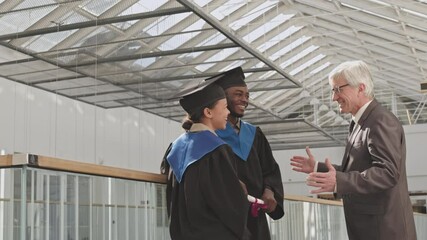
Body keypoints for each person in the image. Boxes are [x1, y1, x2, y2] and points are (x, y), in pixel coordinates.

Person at [290, 60, 417, 240]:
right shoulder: (360, 122)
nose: (334, 97)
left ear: (361, 88)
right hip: (371, 228)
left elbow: (387, 173)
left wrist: (338, 182)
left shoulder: (380, 120)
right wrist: (319, 167)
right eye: (333, 90)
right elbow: (357, 170)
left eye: (338, 89)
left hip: (383, 230)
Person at [163, 79, 250, 240]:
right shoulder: (216, 149)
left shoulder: (175, 148)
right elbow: (230, 204)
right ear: (208, 112)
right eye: (224, 108)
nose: (228, 113)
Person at [206, 67, 284, 240]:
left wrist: (270, 190)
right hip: (223, 221)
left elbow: (270, 170)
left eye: (247, 96)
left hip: (255, 219)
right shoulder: (208, 135)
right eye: (238, 94)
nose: (244, 100)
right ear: (222, 98)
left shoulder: (254, 134)